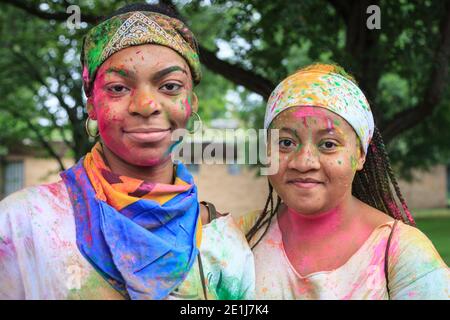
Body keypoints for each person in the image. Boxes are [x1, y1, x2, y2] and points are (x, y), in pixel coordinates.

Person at [0, 3, 254, 300]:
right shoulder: (23, 225)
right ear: (92, 106)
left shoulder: (223, 245)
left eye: (170, 85)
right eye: (119, 88)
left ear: (192, 102)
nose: (146, 105)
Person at [239, 63, 449, 299]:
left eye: (328, 144)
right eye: (286, 142)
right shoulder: (239, 240)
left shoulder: (402, 253)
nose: (304, 162)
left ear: (360, 155)